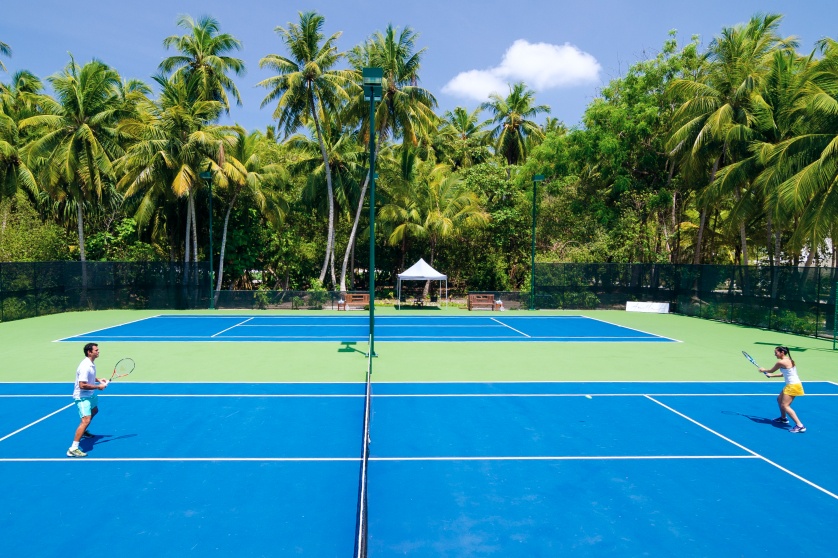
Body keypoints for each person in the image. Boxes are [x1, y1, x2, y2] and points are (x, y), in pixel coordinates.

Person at [67, 343, 108, 457]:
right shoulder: (85, 366)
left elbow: (89, 377)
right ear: (89, 352)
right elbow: (82, 385)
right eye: (96, 350)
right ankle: (73, 448)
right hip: (82, 397)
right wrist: (98, 387)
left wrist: (98, 379)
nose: (98, 351)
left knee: (94, 410)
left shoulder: (90, 363)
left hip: (90, 395)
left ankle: (83, 431)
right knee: (86, 420)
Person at [759, 346, 805, 433]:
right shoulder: (789, 360)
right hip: (792, 385)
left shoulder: (781, 362)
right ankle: (783, 418)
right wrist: (772, 376)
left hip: (793, 385)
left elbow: (771, 370)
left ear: (782, 352)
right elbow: (784, 374)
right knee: (779, 399)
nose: (775, 354)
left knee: (785, 406)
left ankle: (800, 425)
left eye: (776, 353)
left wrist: (763, 370)